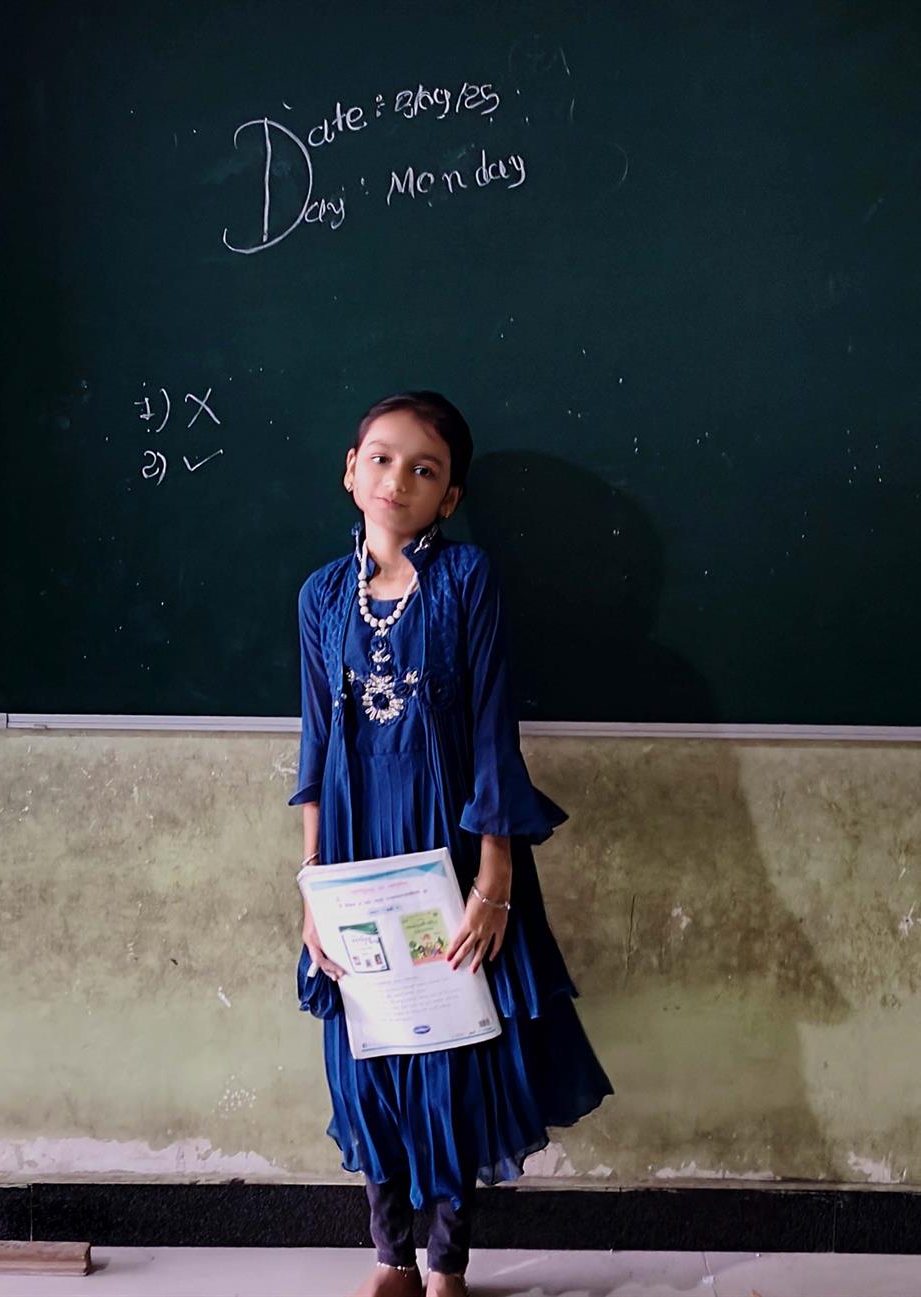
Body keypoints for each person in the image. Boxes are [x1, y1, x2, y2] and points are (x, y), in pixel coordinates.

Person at [288, 391, 613, 1297]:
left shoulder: (467, 579)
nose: (398, 479)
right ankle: (389, 1254)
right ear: (351, 471)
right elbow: (315, 745)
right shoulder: (321, 595)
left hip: (452, 844)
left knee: (454, 1047)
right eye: (381, 458)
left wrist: (495, 875)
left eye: (423, 469)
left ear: (450, 496)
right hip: (356, 848)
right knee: (369, 1048)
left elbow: (492, 729)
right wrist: (312, 886)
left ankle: (446, 1264)